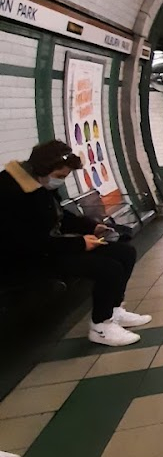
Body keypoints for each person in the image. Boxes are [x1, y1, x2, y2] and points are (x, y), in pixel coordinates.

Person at [0, 141, 150, 347]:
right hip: (24, 259)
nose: (61, 182)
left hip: (50, 248)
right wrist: (79, 244)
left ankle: (114, 311)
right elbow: (25, 242)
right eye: (60, 176)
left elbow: (59, 216)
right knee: (108, 268)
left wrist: (91, 228)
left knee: (125, 252)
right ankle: (101, 326)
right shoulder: (10, 193)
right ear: (43, 168)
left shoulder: (39, 183)